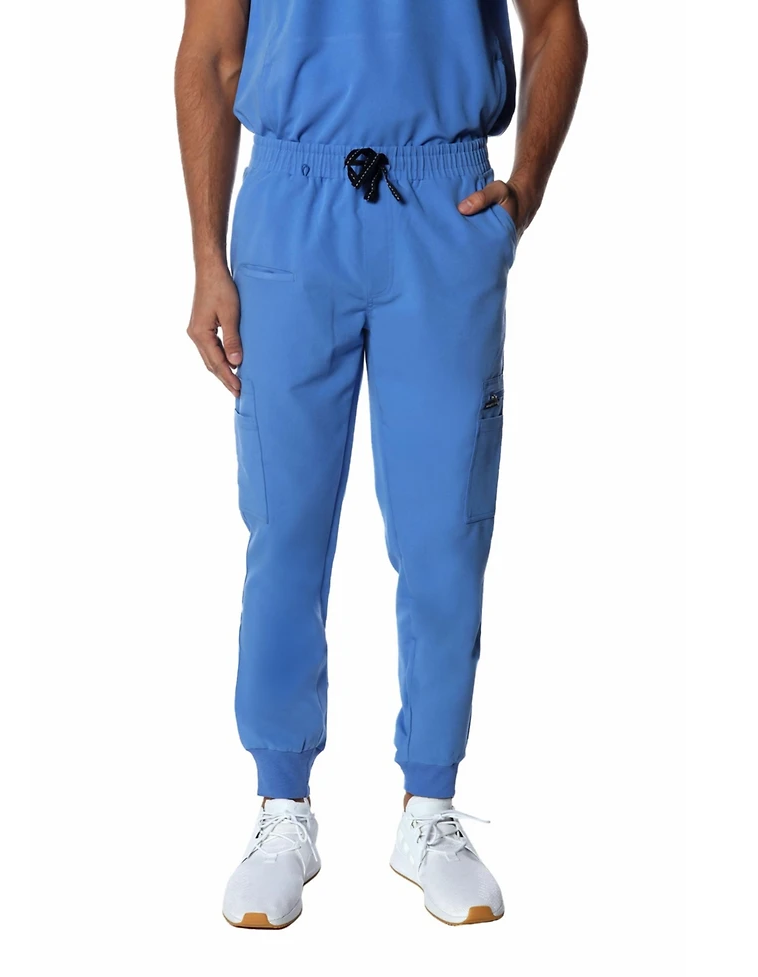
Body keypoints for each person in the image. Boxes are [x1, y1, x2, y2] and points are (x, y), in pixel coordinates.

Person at [175, 0, 587, 929]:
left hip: (443, 203)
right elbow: (210, 54)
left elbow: (555, 19)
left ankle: (429, 806)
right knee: (284, 527)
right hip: (290, 199)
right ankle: (282, 805)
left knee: (446, 529)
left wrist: (525, 187)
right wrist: (205, 255)